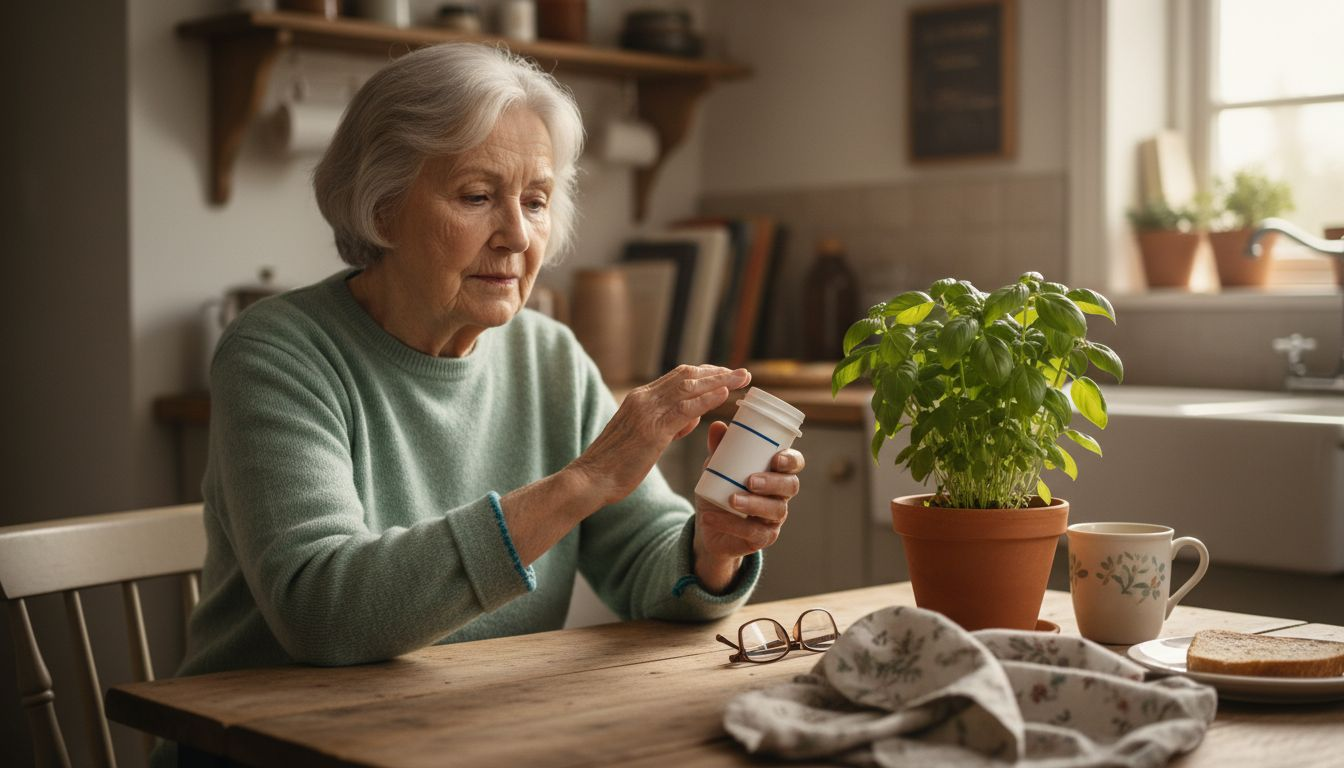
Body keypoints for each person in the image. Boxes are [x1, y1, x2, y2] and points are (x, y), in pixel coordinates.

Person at [176, 43, 806, 681]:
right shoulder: (277, 352)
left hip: (466, 732)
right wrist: (581, 482)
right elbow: (321, 611)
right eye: (477, 196)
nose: (517, 235)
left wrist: (711, 550)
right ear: (381, 206)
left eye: (535, 202)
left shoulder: (549, 356)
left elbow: (645, 561)